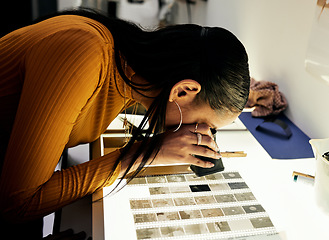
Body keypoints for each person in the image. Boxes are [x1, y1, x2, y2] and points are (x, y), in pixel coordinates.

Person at [0, 8, 250, 239]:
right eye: (205, 124)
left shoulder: (130, 67)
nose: (203, 133)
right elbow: (19, 204)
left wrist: (235, 93)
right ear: (183, 90)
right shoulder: (86, 55)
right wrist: (143, 154)